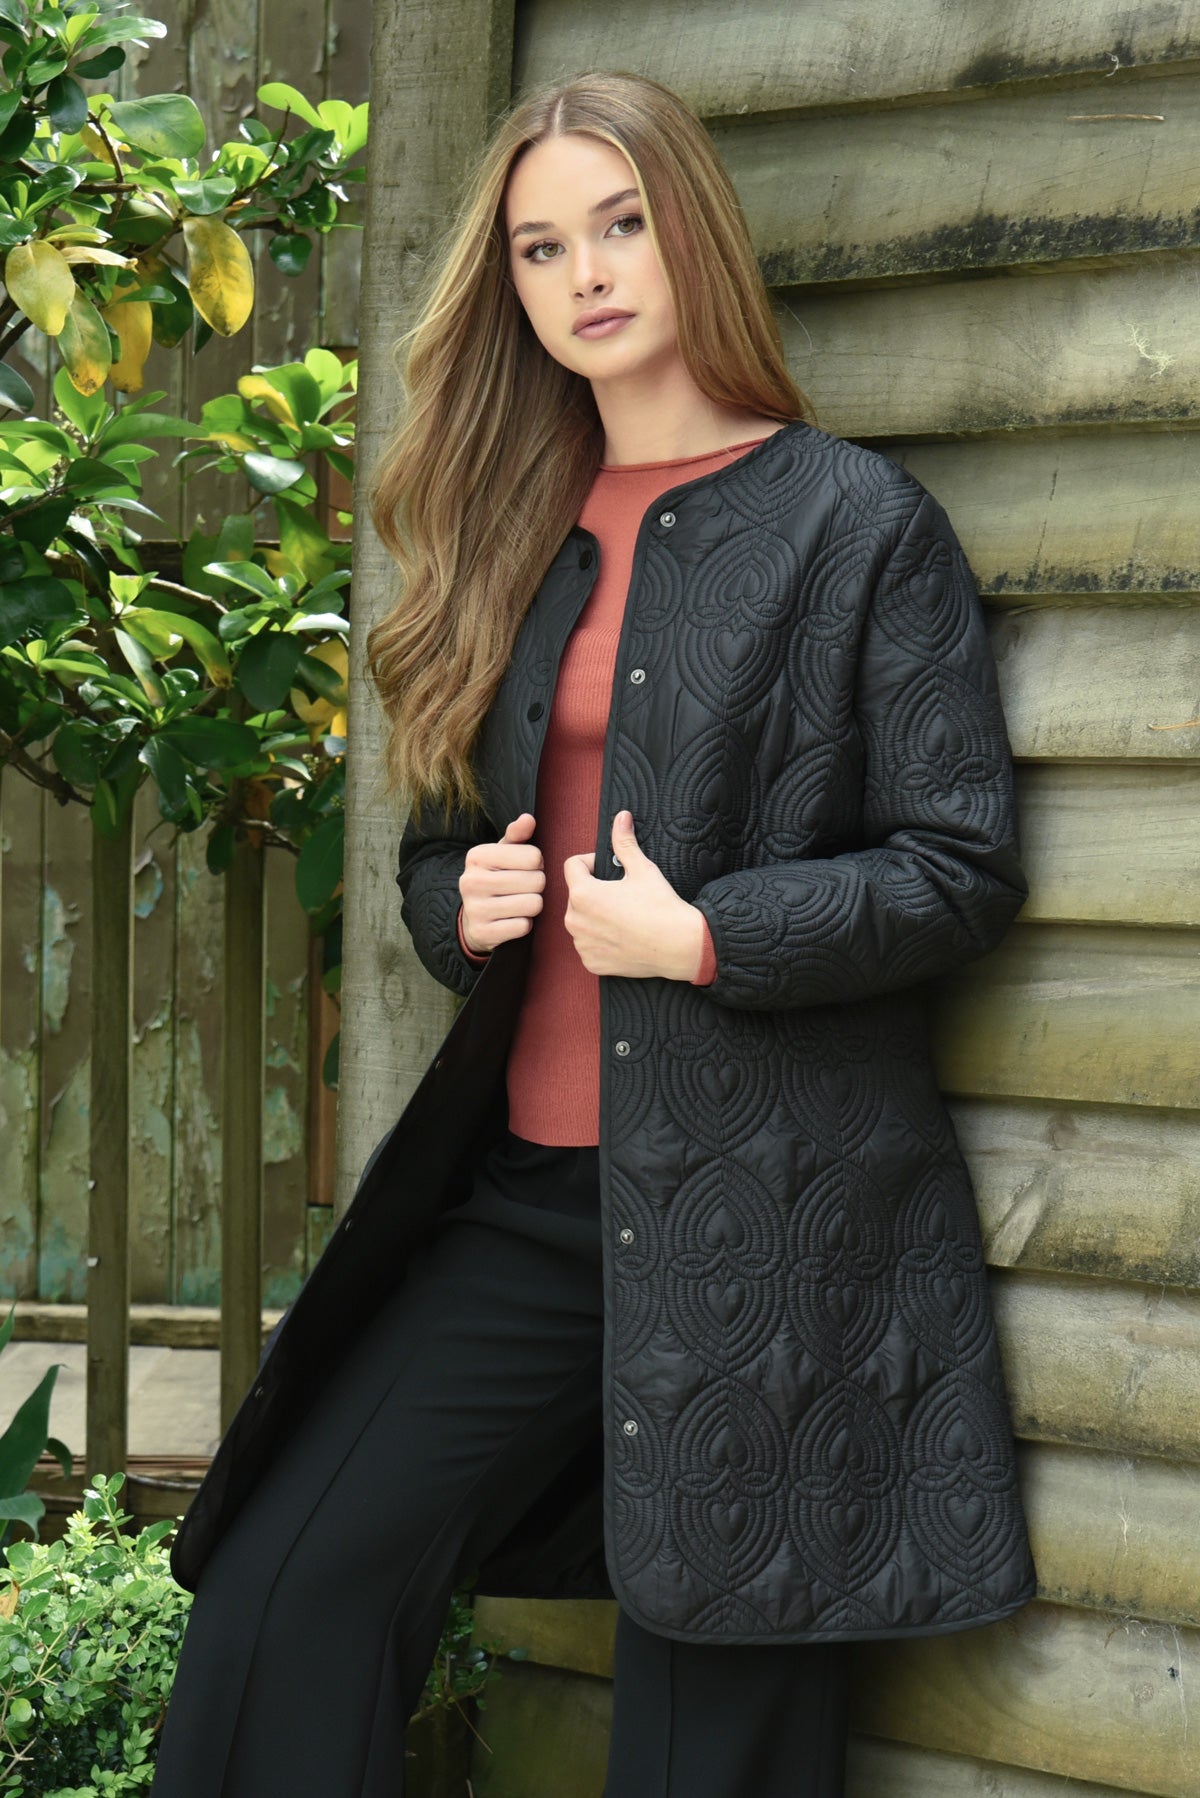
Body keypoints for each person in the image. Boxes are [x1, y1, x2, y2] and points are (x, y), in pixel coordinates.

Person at [152, 68, 1038, 1798]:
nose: (588, 273)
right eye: (542, 246)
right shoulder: (512, 526)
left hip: (767, 1219)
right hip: (533, 1207)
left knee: (708, 1744)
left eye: (620, 224)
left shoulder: (858, 525)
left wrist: (709, 936)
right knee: (282, 1587)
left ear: (691, 227)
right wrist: (458, 903)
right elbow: (439, 846)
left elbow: (959, 865)